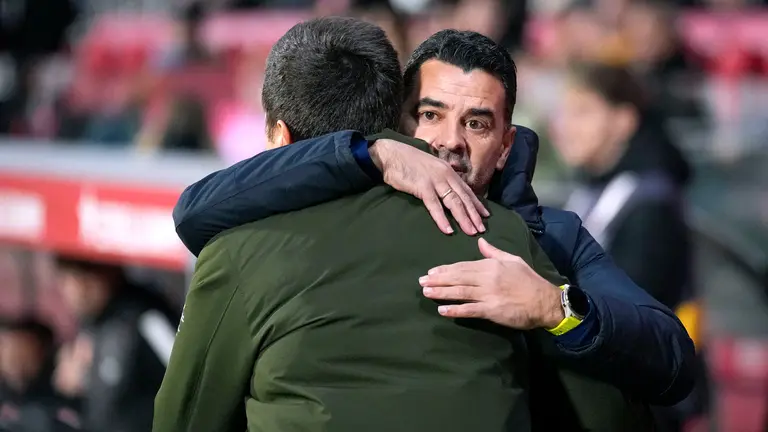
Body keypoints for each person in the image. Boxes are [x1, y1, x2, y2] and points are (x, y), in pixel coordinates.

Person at [172, 25, 695, 410]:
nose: (450, 141)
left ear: (506, 145)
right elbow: (196, 209)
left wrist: (552, 307)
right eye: (430, 114)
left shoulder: (553, 238)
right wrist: (365, 155)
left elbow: (673, 359)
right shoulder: (335, 216)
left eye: (477, 124)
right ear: (397, 120)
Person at [553, 63, 703, 431]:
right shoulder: (593, 188)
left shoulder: (650, 203)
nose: (565, 126)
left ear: (624, 121)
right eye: (564, 112)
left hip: (641, 403)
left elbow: (635, 311)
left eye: (583, 112)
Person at [53, 257, 179, 432]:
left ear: (111, 273)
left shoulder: (146, 316)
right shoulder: (90, 326)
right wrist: (73, 390)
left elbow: (188, 375)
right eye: (66, 279)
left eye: (86, 278)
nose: (77, 291)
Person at [0, 318, 81, 432]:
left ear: (43, 353)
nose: (13, 360)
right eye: (7, 351)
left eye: (22, 352)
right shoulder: (4, 400)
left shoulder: (64, 406)